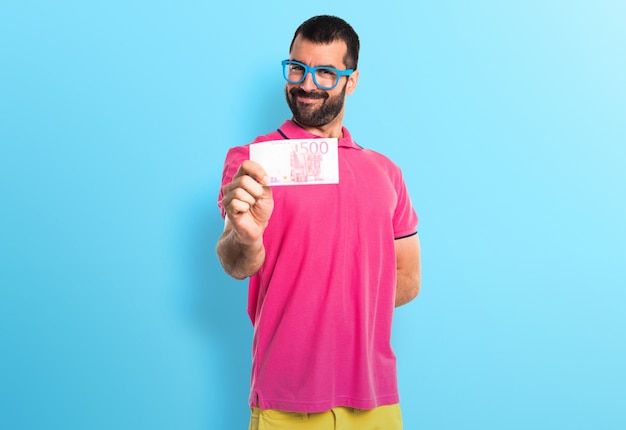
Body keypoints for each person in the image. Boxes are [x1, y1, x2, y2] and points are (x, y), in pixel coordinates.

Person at [216, 15, 421, 430]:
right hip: (286, 398)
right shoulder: (253, 161)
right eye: (298, 69)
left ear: (352, 80)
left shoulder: (385, 171)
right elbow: (236, 262)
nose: (307, 84)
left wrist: (343, 299)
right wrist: (248, 238)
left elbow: (409, 277)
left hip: (375, 398)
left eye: (325, 73)